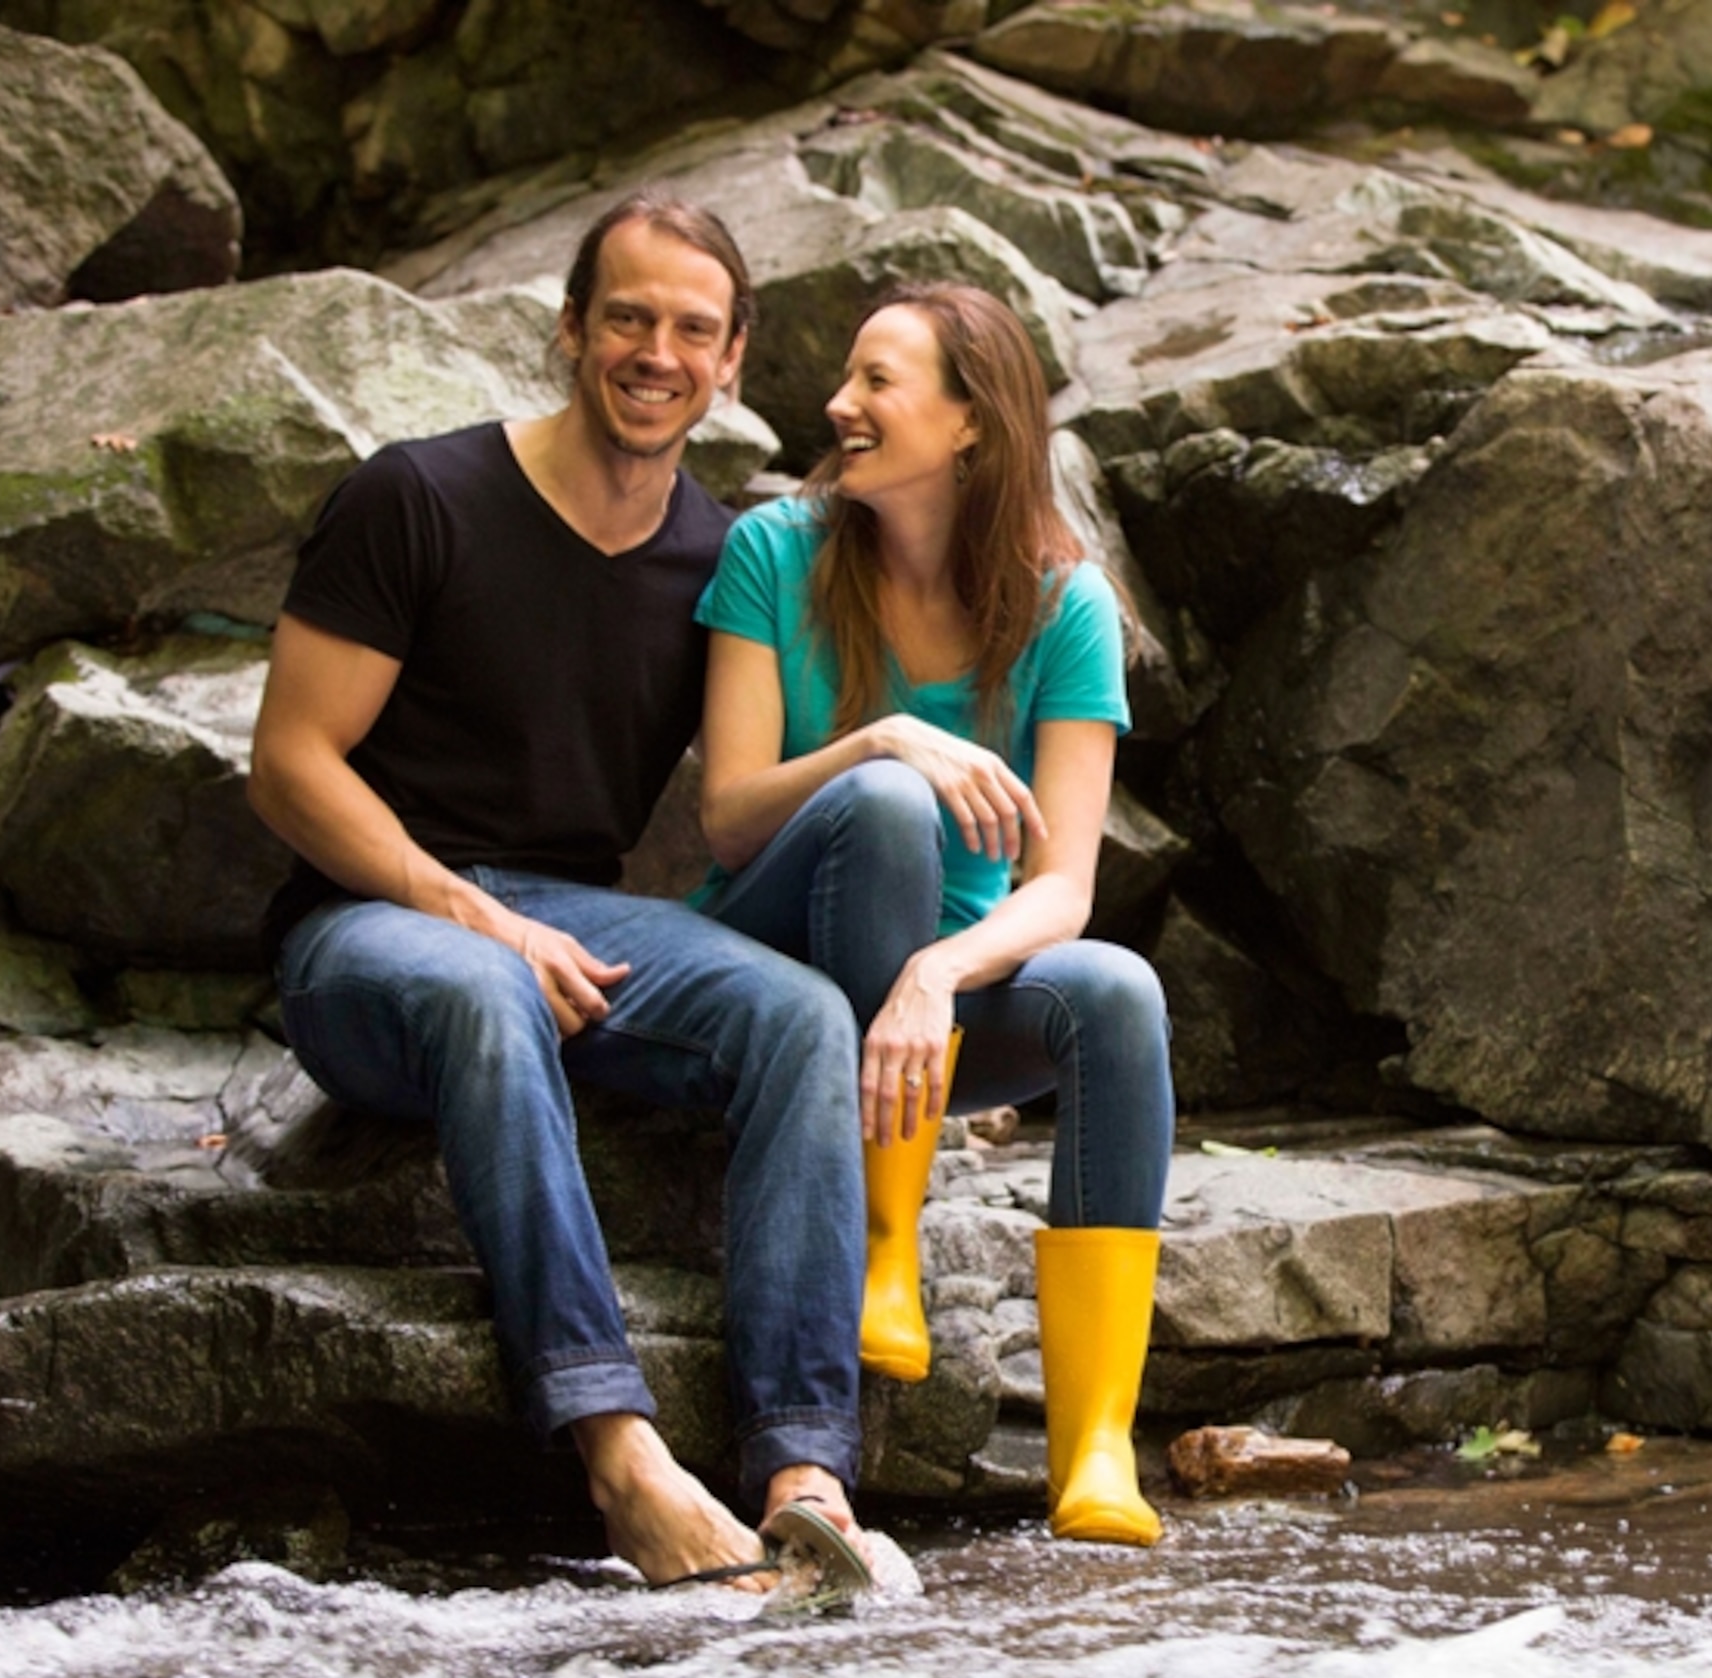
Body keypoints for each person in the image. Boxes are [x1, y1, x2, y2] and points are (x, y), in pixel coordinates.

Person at [246, 191, 880, 1600]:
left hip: (580, 926)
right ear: (571, 333)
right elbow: (289, 768)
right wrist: (470, 914)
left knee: (800, 1019)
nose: (658, 352)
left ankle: (801, 1471)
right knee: (482, 988)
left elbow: (772, 790)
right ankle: (619, 1450)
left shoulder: (721, 561)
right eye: (630, 319)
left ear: (732, 362)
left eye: (693, 330)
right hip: (367, 928)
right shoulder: (418, 497)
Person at [690, 281, 1174, 1546]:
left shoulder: (1064, 605)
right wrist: (881, 739)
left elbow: (1064, 887)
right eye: (845, 381)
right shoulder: (775, 552)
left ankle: (1096, 1446)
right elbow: (728, 819)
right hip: (781, 950)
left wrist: (935, 977)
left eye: (877, 383)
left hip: (934, 1007)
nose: (840, 405)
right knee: (894, 801)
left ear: (969, 425)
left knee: (1120, 990)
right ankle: (878, 1244)